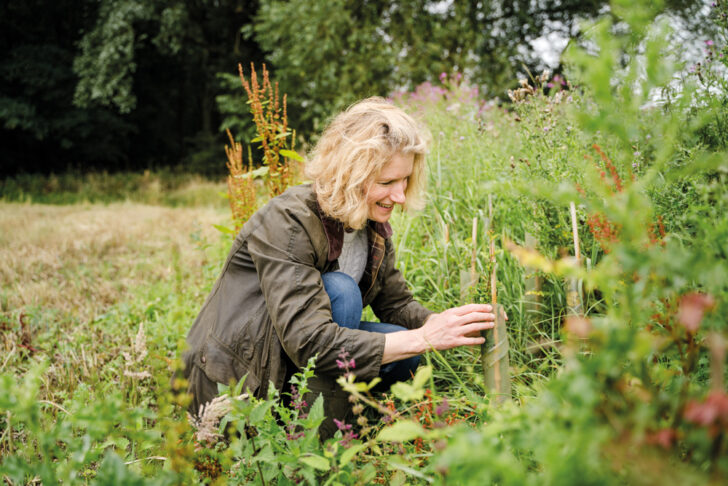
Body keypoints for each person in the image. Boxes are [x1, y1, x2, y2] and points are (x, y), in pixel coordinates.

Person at [181, 97, 498, 438]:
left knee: (403, 352)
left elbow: (395, 303)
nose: (401, 196)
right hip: (239, 379)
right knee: (343, 293)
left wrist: (437, 324)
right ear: (350, 175)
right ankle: (315, 438)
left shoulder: (369, 222)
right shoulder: (288, 221)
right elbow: (308, 339)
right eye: (387, 183)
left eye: (404, 180)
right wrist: (423, 338)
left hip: (297, 358)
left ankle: (338, 415)